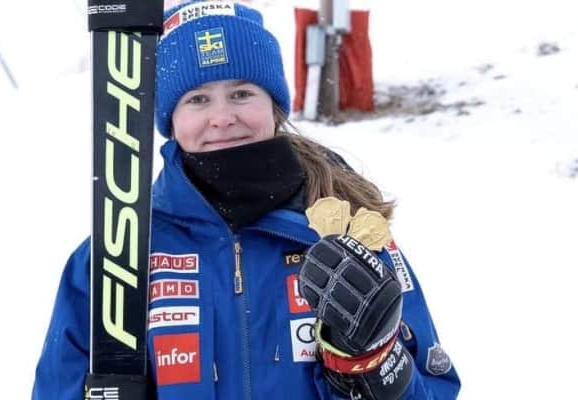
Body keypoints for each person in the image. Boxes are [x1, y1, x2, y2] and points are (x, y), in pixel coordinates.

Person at [32, 1, 461, 399]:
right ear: (170, 119)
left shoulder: (348, 233)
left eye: (241, 94)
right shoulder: (117, 256)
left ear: (274, 106)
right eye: (198, 99)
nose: (222, 118)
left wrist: (374, 362)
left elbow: (433, 387)